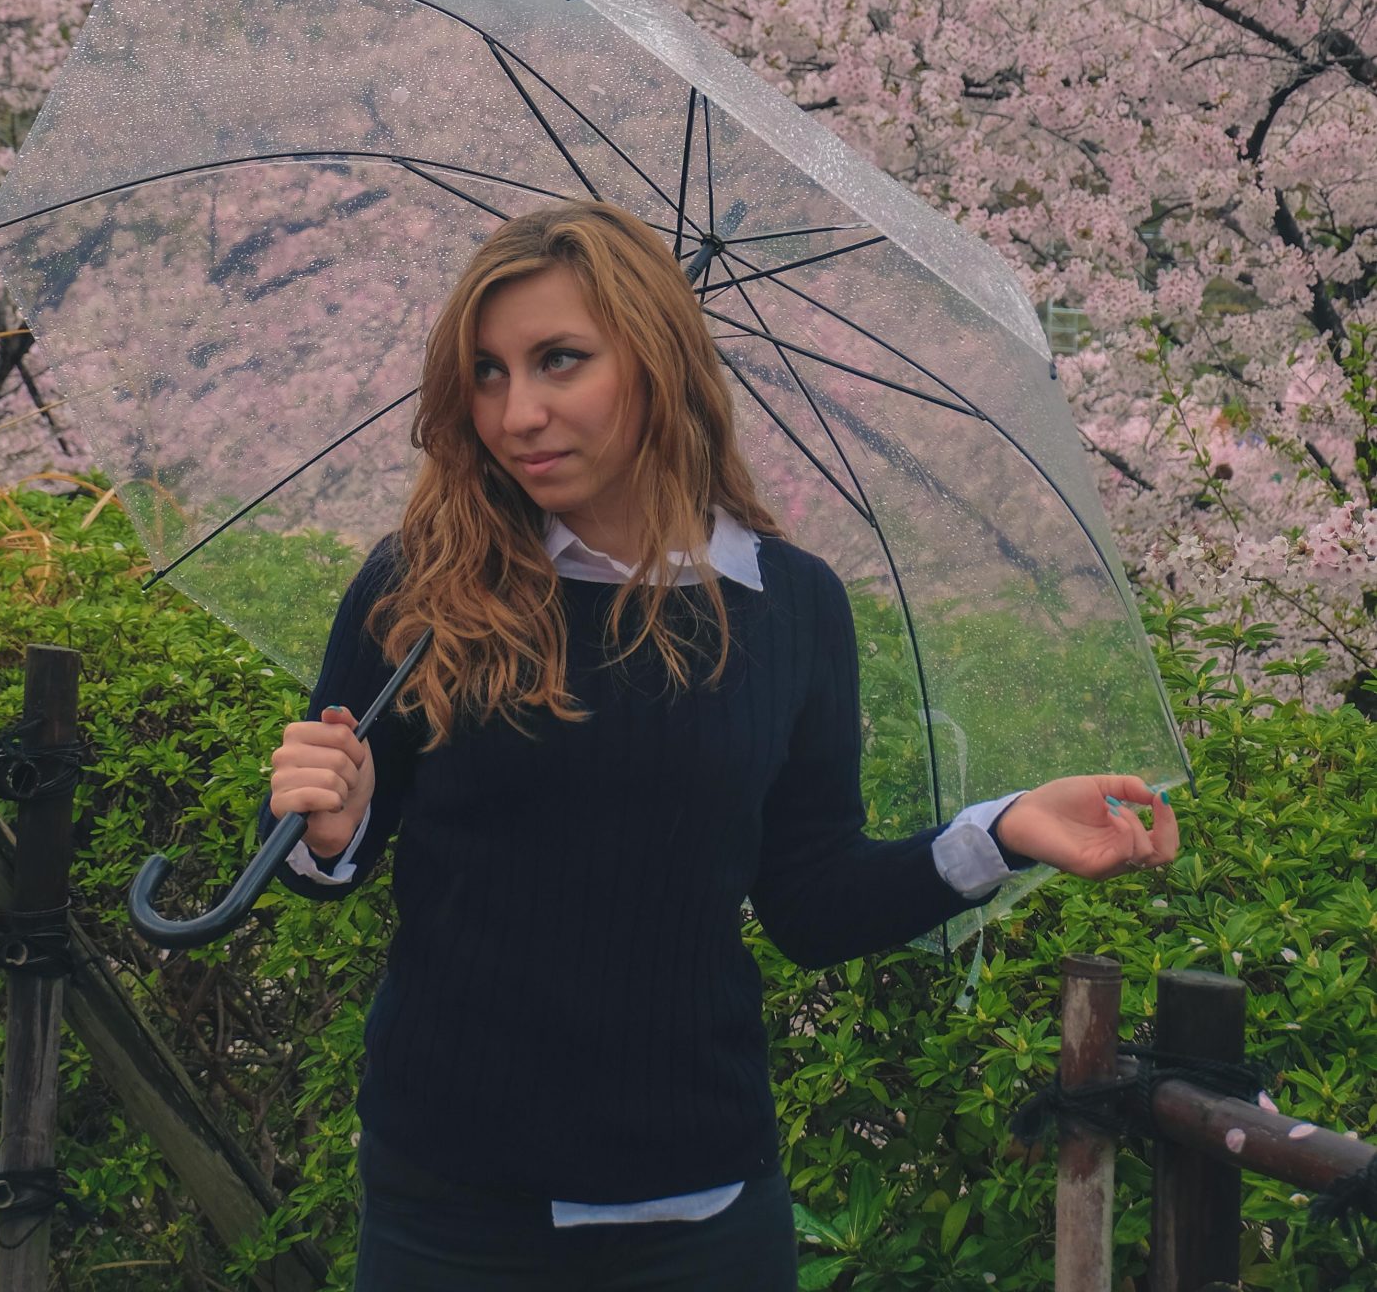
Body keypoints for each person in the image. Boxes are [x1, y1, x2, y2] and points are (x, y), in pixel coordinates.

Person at [263, 200, 1179, 1292]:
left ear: (656, 363)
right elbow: (327, 861)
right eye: (490, 372)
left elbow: (811, 901)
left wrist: (1002, 831)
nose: (519, 411)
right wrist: (329, 827)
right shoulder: (425, 583)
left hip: (697, 1212)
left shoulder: (790, 607)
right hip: (449, 1207)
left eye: (560, 360)